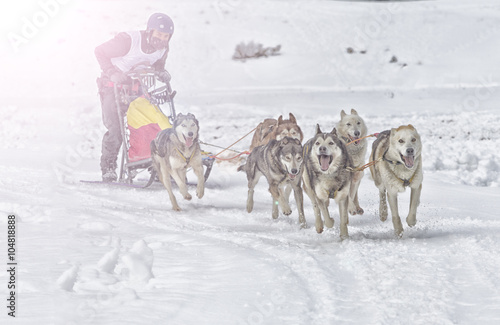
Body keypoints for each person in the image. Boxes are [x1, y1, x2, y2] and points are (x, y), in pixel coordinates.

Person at [95, 13, 174, 182]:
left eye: (166, 36)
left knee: (148, 126)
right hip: (112, 88)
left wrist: (161, 71)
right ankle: (108, 167)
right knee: (116, 130)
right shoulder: (128, 41)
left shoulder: (163, 49)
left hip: (137, 89)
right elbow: (99, 51)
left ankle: (153, 163)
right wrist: (112, 72)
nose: (162, 39)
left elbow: (158, 64)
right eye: (158, 34)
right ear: (150, 31)